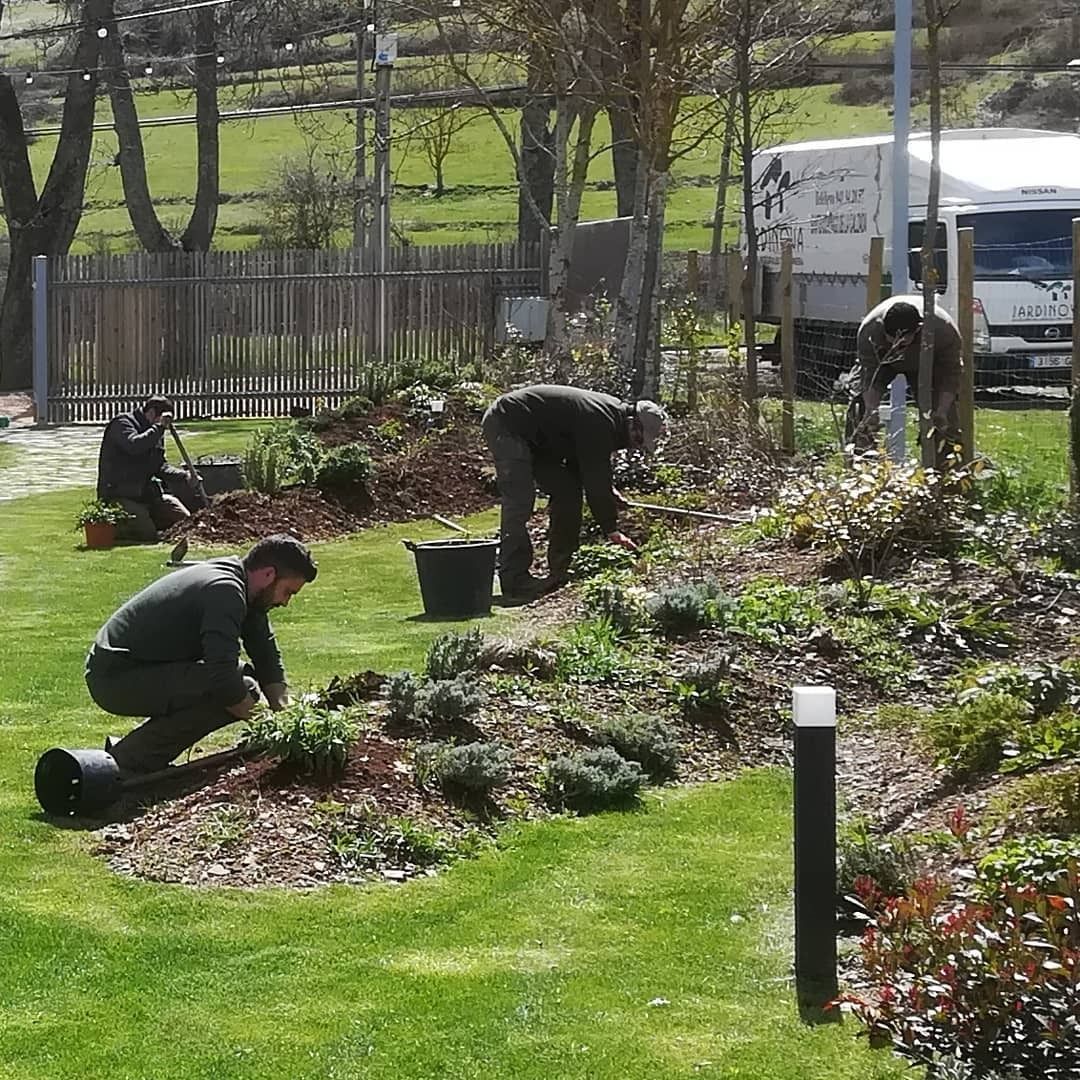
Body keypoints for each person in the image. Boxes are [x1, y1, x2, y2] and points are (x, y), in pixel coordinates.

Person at [85, 534, 318, 774]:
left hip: (132, 670)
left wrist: (287, 718)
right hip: (114, 677)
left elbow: (265, 655)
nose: (286, 602)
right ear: (269, 574)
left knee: (242, 682)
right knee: (239, 689)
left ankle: (137, 753)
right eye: (288, 592)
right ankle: (128, 761)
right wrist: (270, 730)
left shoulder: (245, 588)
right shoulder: (225, 590)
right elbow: (224, 679)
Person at [481, 385, 668, 602]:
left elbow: (585, 468)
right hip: (508, 424)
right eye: (638, 441)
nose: (634, 447)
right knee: (519, 500)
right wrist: (611, 529)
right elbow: (595, 476)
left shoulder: (609, 418)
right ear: (632, 424)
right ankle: (515, 581)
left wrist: (609, 493)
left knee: (567, 491)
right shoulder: (600, 421)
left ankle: (561, 569)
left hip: (539, 439)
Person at [845, 295, 964, 464]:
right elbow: (869, 374)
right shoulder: (870, 331)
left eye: (902, 343)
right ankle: (860, 466)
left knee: (945, 422)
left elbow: (950, 375)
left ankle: (945, 476)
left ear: (918, 329)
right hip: (883, 361)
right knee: (861, 411)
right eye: (891, 340)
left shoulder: (944, 331)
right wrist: (871, 409)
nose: (896, 346)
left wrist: (942, 411)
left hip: (931, 362)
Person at [96, 395, 200, 542]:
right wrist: (158, 427)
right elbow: (134, 446)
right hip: (119, 495)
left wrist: (185, 476)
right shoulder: (123, 423)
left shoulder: (156, 431)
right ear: (151, 413)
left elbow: (160, 467)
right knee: (148, 535)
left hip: (147, 495)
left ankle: (156, 525)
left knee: (187, 521)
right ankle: (122, 530)